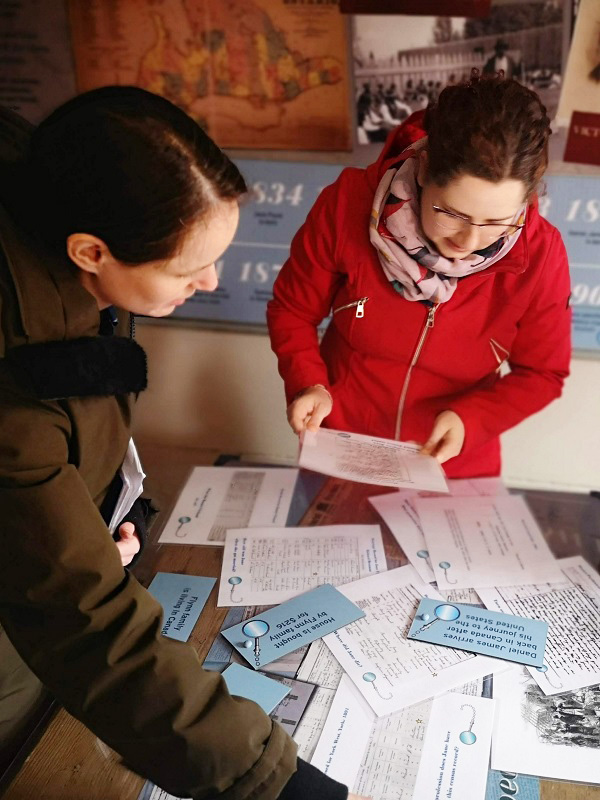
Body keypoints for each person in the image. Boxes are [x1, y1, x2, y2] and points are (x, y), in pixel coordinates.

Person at [0, 87, 368, 800]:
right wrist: (275, 784)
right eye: (184, 269)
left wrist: (113, 503)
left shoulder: (57, 229)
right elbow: (83, 626)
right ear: (92, 251)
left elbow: (83, 421)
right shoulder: (15, 385)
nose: (211, 282)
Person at [267, 75, 571, 477]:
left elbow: (543, 373)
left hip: (450, 462)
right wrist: (308, 382)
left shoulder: (541, 253)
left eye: (498, 222)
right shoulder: (347, 205)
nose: (471, 241)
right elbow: (293, 310)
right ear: (425, 169)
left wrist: (472, 420)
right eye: (453, 214)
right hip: (343, 445)